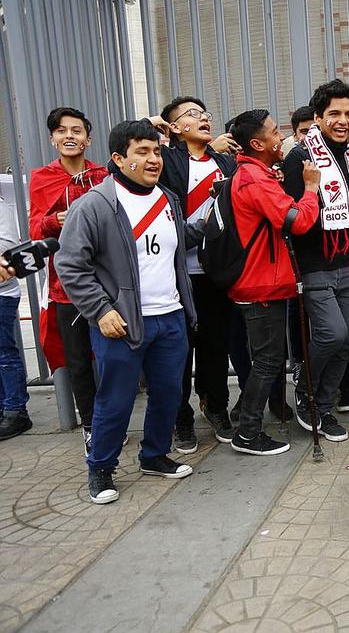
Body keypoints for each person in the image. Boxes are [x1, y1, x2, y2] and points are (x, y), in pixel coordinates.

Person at [56, 119, 197, 504]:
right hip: (120, 323)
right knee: (115, 400)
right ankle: (101, 467)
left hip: (170, 317)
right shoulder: (95, 205)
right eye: (142, 151)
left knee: (169, 393)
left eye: (156, 151)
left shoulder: (167, 199)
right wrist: (100, 309)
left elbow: (175, 247)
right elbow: (69, 264)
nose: (154, 159)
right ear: (118, 158)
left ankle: (154, 455)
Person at [281, 80, 349, 442]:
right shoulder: (299, 158)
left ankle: (323, 405)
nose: (343, 120)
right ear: (317, 118)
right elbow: (299, 221)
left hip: (344, 261)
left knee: (347, 338)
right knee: (331, 333)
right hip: (314, 264)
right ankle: (305, 388)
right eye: (334, 113)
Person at [226, 109, 320, 455]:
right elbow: (296, 220)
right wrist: (311, 188)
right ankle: (248, 432)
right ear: (257, 143)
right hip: (260, 284)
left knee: (267, 359)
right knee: (267, 361)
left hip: (264, 281)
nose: (280, 137)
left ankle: (247, 425)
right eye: (273, 132)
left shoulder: (256, 173)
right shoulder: (253, 178)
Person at [152, 96, 238, 454]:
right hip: (178, 274)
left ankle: (215, 407)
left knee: (215, 347)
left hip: (216, 272)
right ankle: (180, 417)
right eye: (192, 115)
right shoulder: (168, 160)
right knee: (178, 353)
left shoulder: (224, 161)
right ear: (174, 127)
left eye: (205, 114)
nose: (203, 119)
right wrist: (151, 126)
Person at [27, 107, 109, 450]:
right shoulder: (41, 178)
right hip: (65, 287)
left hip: (106, 281)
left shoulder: (105, 175)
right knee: (77, 363)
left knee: (111, 359)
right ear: (53, 138)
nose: (69, 136)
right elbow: (33, 231)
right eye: (62, 131)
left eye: (77, 131)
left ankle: (111, 420)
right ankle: (92, 426)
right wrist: (52, 221)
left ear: (89, 139)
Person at [0, 220, 30, 440]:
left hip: (2, 293)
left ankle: (15, 410)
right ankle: (6, 408)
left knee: (4, 354)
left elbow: (7, 247)